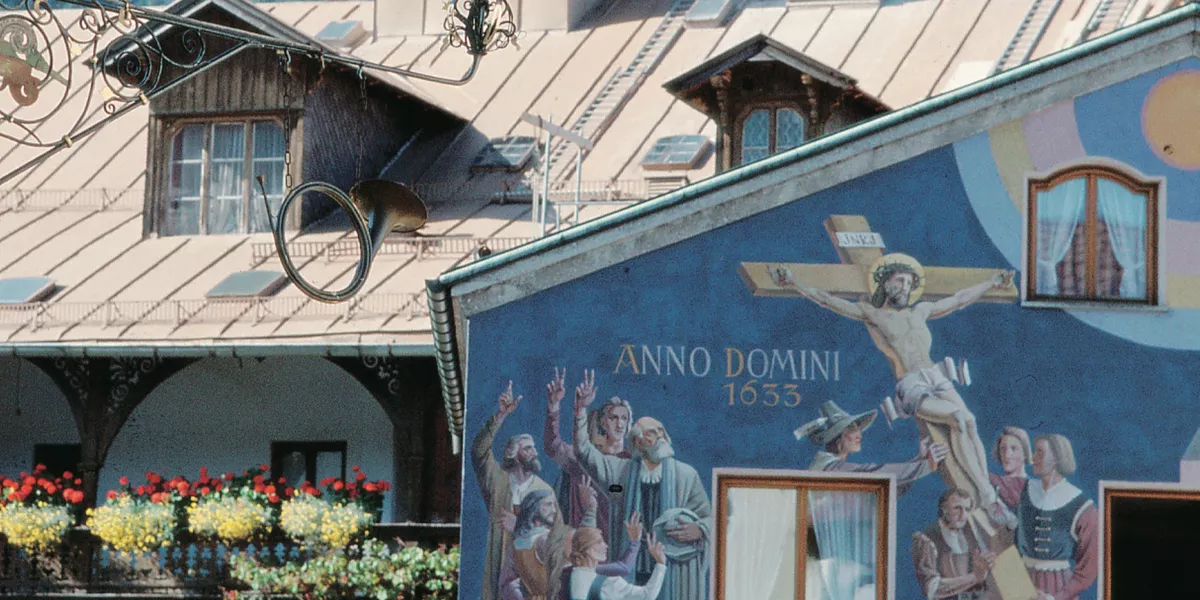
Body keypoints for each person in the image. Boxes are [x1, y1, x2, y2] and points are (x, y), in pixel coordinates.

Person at [772, 254, 1013, 509]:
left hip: (934, 374)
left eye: (910, 283)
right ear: (886, 284)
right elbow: (828, 301)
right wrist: (794, 282)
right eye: (900, 281)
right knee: (957, 418)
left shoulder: (921, 310)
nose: (906, 287)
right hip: (911, 383)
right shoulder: (874, 314)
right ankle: (985, 491)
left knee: (970, 421)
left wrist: (991, 282)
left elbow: (959, 299)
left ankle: (985, 487)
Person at [573, 370, 711, 600]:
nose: (658, 437)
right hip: (632, 569)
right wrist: (580, 411)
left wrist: (699, 529)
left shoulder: (686, 475)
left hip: (673, 569)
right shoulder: (622, 470)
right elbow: (584, 452)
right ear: (637, 442)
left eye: (660, 432)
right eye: (649, 433)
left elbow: (710, 517)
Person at [474, 381, 557, 600]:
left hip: (534, 572)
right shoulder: (499, 481)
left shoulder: (544, 490)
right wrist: (500, 416)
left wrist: (518, 525)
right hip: (501, 566)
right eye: (528, 448)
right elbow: (479, 452)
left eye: (534, 448)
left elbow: (555, 530)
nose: (534, 452)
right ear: (513, 453)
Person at [545, 368, 632, 557]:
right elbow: (553, 446)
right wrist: (554, 406)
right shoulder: (582, 461)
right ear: (602, 423)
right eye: (614, 417)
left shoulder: (633, 464)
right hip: (584, 548)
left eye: (624, 418)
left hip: (620, 546)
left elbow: (620, 491)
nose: (620, 424)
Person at [795, 400, 946, 496]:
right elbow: (875, 473)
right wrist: (926, 465)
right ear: (837, 437)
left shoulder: (831, 466)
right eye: (851, 430)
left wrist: (920, 459)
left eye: (858, 429)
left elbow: (886, 490)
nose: (859, 435)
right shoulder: (832, 469)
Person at [1013, 434, 1098, 600]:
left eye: (1040, 453)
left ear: (1057, 458)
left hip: (1058, 588)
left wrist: (1056, 597)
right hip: (1022, 582)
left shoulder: (1083, 506)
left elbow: (1088, 569)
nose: (1033, 458)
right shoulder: (1023, 489)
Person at [912, 489, 999, 600]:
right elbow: (931, 589)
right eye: (957, 508)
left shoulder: (972, 531)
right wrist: (975, 577)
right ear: (943, 510)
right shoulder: (926, 539)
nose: (963, 515)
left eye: (967, 509)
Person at [558, 510, 648, 600]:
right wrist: (635, 542)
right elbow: (624, 568)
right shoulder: (579, 571)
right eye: (573, 542)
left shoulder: (578, 570)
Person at [566, 528, 667, 600]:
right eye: (599, 542)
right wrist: (660, 564)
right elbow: (647, 595)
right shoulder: (608, 584)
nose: (606, 546)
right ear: (588, 549)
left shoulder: (569, 575)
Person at [990, 426, 1033, 512]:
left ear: (1024, 453)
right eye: (1003, 448)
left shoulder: (1033, 488)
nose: (1007, 454)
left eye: (1013, 449)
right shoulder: (993, 484)